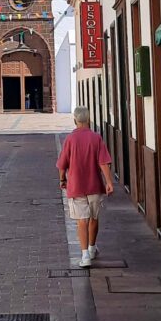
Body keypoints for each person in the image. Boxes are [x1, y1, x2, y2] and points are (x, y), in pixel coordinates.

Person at [56, 106, 113, 267]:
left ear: (75, 120)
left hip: (76, 185)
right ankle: (92, 247)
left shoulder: (70, 140)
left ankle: (85, 255)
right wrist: (109, 182)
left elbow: (62, 164)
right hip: (95, 184)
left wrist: (62, 180)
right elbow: (103, 163)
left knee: (82, 220)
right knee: (94, 218)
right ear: (88, 119)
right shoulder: (96, 138)